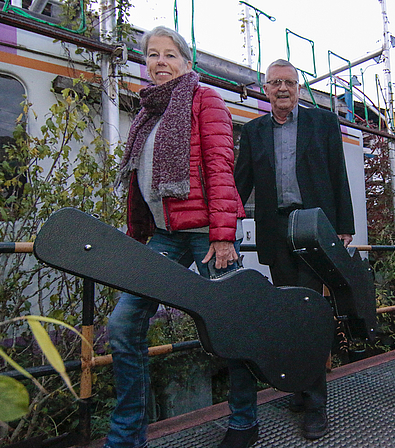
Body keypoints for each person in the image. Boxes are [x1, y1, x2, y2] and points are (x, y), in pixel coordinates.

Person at [105, 26, 245, 448]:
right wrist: (138, 236)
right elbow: (140, 185)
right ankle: (128, 435)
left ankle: (244, 421)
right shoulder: (148, 113)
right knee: (124, 323)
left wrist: (223, 236)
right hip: (164, 238)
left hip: (206, 237)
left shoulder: (207, 101)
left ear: (186, 62)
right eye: (152, 54)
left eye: (169, 54)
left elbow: (220, 170)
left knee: (231, 326)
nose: (159, 61)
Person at [225, 58, 355, 447]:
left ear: (299, 88)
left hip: (313, 226)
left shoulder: (322, 123)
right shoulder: (253, 131)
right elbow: (239, 182)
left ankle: (316, 406)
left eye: (289, 83)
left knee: (309, 311)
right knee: (286, 311)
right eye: (275, 83)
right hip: (275, 231)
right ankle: (299, 391)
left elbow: (338, 174)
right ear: (266, 90)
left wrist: (344, 226)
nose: (282, 89)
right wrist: (222, 223)